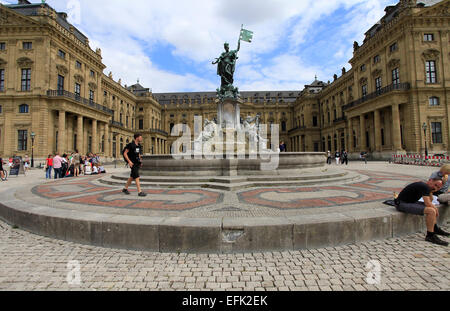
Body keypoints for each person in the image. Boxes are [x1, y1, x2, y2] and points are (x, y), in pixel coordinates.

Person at [395, 178, 449, 246]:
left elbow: (431, 200)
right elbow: (427, 203)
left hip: (410, 202)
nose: (435, 187)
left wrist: (431, 192)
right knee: (431, 211)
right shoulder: (424, 186)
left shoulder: (426, 187)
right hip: (401, 204)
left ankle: (435, 229)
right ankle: (430, 235)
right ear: (430, 180)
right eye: (435, 185)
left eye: (437, 187)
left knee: (432, 208)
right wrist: (436, 209)